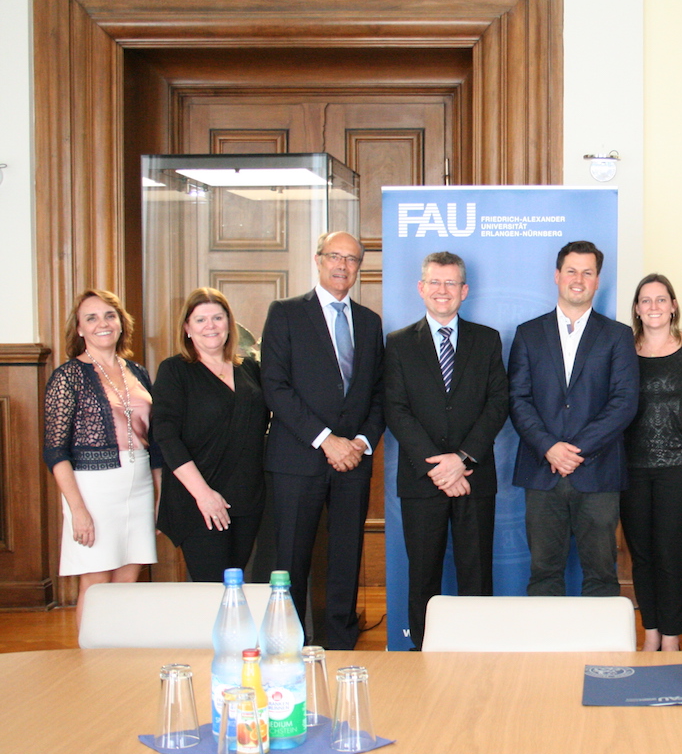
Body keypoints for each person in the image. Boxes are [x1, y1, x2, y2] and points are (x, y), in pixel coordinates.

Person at [260, 231, 384, 650]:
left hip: (354, 461)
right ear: (318, 260)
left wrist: (361, 442)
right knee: (291, 559)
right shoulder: (286, 313)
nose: (342, 266)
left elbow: (378, 392)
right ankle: (286, 644)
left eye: (351, 259)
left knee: (346, 556)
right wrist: (327, 440)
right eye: (335, 256)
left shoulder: (369, 322)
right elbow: (275, 387)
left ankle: (340, 640)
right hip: (298, 459)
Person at [384, 251, 509, 650]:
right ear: (421, 288)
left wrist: (462, 459)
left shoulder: (487, 339)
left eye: (451, 283)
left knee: (476, 574)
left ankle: (478, 651)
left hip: (474, 477)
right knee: (423, 576)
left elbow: (498, 403)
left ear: (464, 291)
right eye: (435, 282)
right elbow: (396, 409)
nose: (443, 291)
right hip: (423, 481)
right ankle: (423, 652)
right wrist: (438, 467)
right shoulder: (399, 343)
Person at [508, 240, 639, 598]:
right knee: (543, 574)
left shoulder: (617, 335)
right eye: (571, 271)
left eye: (587, 272)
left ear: (598, 281)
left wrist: (575, 449)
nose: (578, 279)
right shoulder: (528, 334)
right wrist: (549, 447)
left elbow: (624, 402)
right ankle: (547, 656)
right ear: (557, 276)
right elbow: (518, 399)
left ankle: (601, 655)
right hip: (541, 469)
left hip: (597, 473)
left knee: (600, 576)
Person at [43, 290, 161, 627]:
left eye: (109, 315)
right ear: (79, 329)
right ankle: (89, 661)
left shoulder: (138, 371)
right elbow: (55, 451)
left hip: (138, 485)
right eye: (91, 318)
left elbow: (154, 443)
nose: (102, 324)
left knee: (127, 579)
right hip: (93, 488)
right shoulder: (68, 377)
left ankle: (117, 658)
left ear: (121, 323)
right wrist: (77, 510)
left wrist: (158, 497)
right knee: (95, 583)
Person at [152, 288, 268, 582]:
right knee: (212, 589)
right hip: (198, 501)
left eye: (218, 317)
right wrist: (203, 495)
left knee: (236, 587)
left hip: (247, 500)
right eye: (201, 320)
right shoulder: (175, 370)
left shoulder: (250, 370)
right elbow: (166, 437)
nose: (211, 326)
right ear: (187, 328)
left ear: (229, 323)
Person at [620, 274, 682, 652]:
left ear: (673, 305)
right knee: (640, 554)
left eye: (661, 299)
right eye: (646, 300)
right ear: (637, 309)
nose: (654, 306)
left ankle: (672, 639)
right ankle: (651, 633)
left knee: (670, 554)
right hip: (631, 467)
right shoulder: (622, 348)